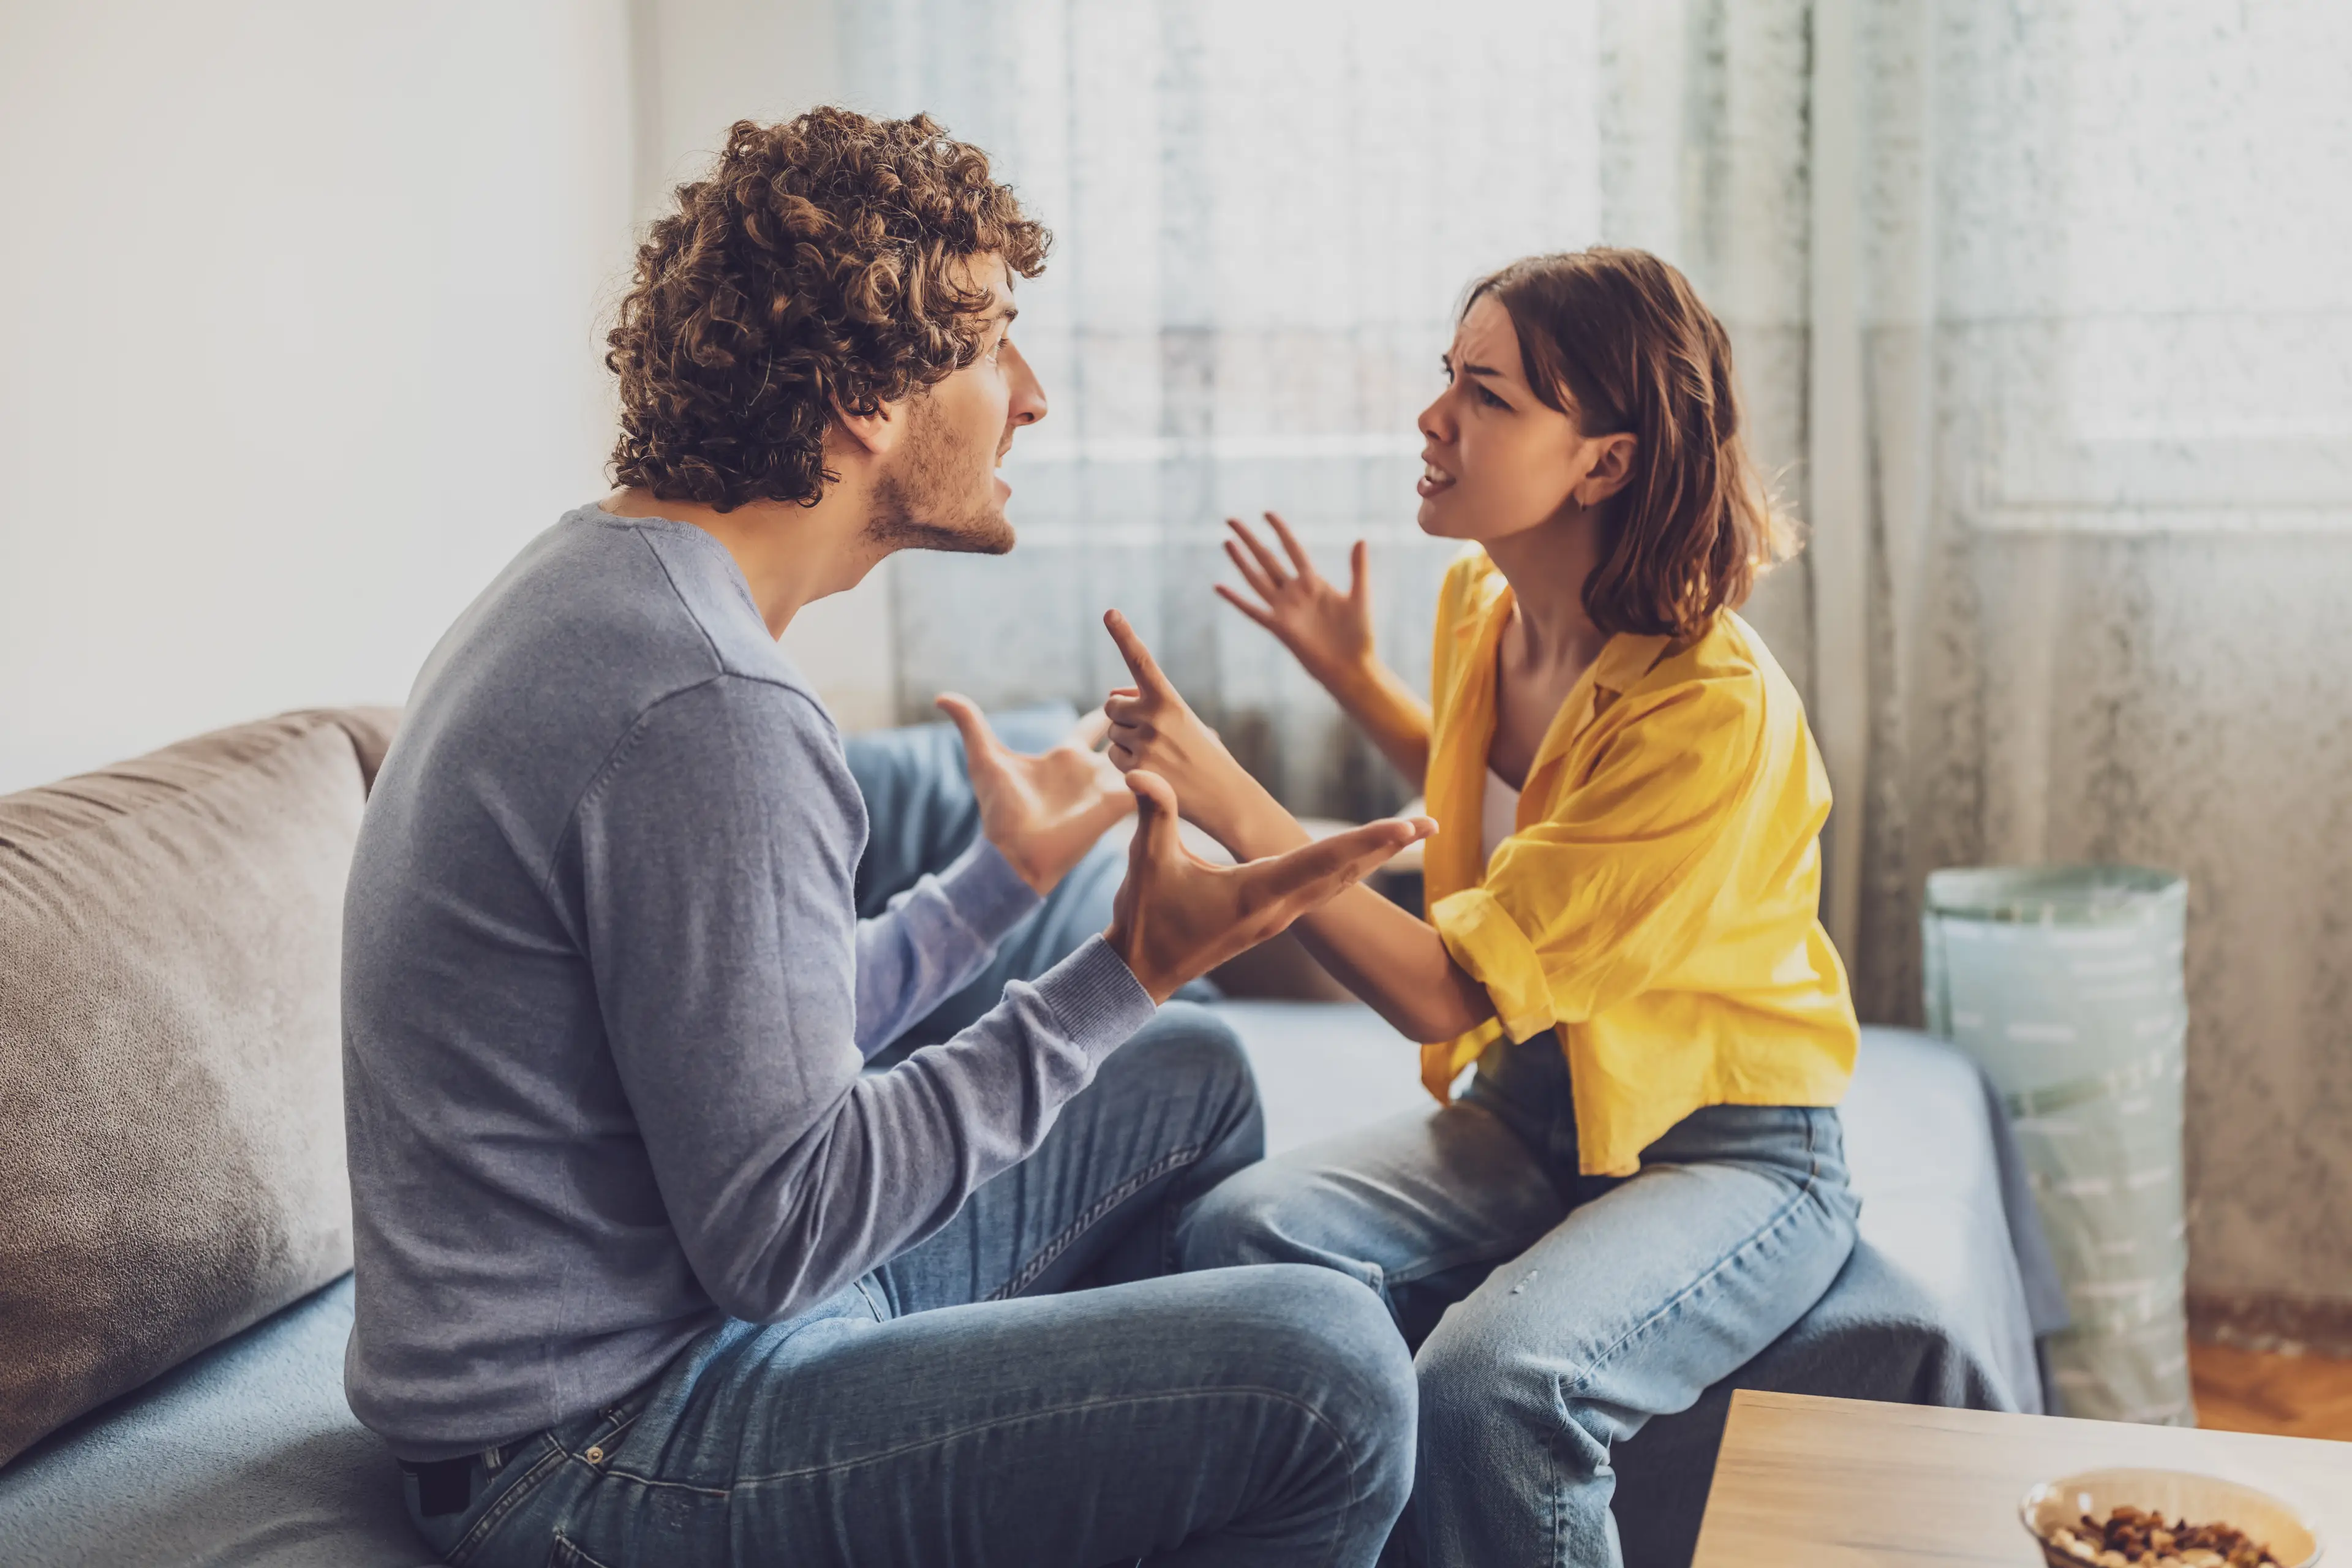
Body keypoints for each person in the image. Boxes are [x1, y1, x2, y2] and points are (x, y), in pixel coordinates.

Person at [341, 108, 1434, 1568]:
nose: (1031, 396)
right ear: (864, 394)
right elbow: (783, 1228)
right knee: (1331, 1371)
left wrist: (1000, 888)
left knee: (1189, 1076)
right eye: (994, 346)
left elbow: (733, 1046)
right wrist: (1125, 967)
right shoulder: (707, 701)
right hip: (594, 1448)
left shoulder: (604, 585)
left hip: (662, 1339)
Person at [1098, 247, 1864, 1566]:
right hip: (1529, 1104)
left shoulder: (1710, 711)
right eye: (1447, 377)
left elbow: (1450, 984)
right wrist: (1354, 674)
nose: (1433, 417)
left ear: (1604, 461)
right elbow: (1516, 813)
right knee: (1241, 1229)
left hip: (1727, 1147)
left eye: (1489, 395)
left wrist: (1238, 801)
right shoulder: (1484, 604)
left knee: (1496, 1383)